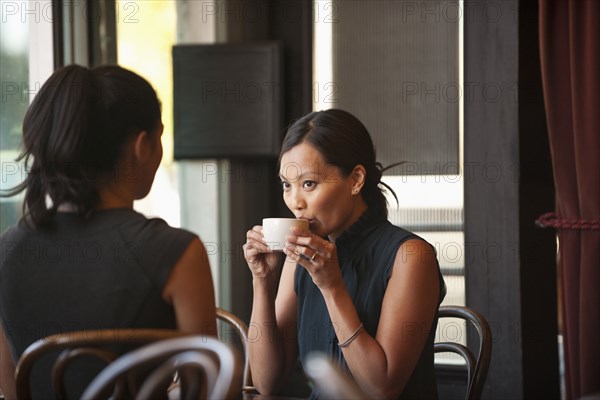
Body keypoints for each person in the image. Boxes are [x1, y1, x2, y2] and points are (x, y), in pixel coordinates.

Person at [0, 65, 217, 399]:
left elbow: (13, 388)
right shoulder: (178, 251)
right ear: (142, 145)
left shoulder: (7, 251)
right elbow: (206, 389)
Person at [243, 109, 447, 399]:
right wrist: (262, 282)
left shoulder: (410, 256)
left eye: (308, 184)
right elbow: (266, 381)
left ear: (356, 180)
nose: (295, 202)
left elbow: (381, 389)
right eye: (287, 186)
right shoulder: (300, 260)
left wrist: (332, 287)